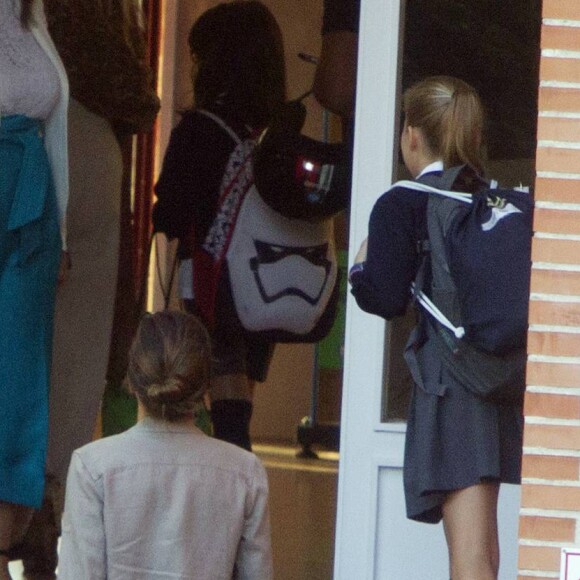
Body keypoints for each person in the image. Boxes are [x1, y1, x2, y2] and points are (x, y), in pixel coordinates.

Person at [349, 76, 523, 580]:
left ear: (411, 135)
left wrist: (360, 268)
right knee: (484, 548)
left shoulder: (403, 202)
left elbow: (382, 297)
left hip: (452, 387)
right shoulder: (490, 200)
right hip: (495, 384)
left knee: (469, 554)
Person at [14, 1, 160, 576]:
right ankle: (45, 525)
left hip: (37, 141)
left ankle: (24, 520)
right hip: (80, 139)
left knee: (26, 342)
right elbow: (123, 83)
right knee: (75, 352)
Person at [153, 1, 287, 451]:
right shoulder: (273, 133)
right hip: (268, 279)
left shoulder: (199, 130)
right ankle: (240, 486)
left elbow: (169, 209)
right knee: (241, 397)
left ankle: (231, 490)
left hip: (216, 282)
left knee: (228, 415)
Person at [57, 310, 273, 580]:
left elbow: (79, 574)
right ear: (206, 386)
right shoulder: (245, 471)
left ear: (132, 381)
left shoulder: (92, 466)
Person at [0, 0, 69, 578]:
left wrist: (62, 227)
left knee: (22, 385)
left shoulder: (33, 15)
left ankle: (7, 539)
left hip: (32, 205)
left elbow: (58, 129)